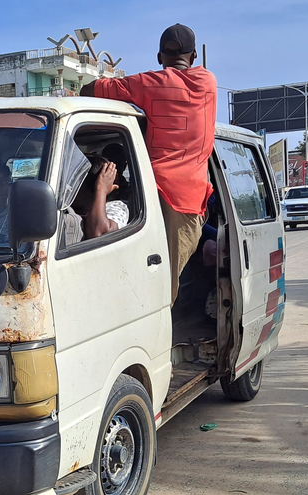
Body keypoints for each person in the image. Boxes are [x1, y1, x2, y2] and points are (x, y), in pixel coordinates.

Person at [81, 23, 216, 304]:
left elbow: (90, 89)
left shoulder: (149, 84)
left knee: (158, 292)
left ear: (159, 57)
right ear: (193, 57)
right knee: (164, 286)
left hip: (154, 195)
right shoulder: (208, 82)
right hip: (189, 204)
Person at [63, 155, 128, 244]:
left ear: (93, 191)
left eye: (77, 186)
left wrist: (101, 189)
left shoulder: (116, 207)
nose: (70, 189)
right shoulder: (65, 204)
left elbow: (99, 235)